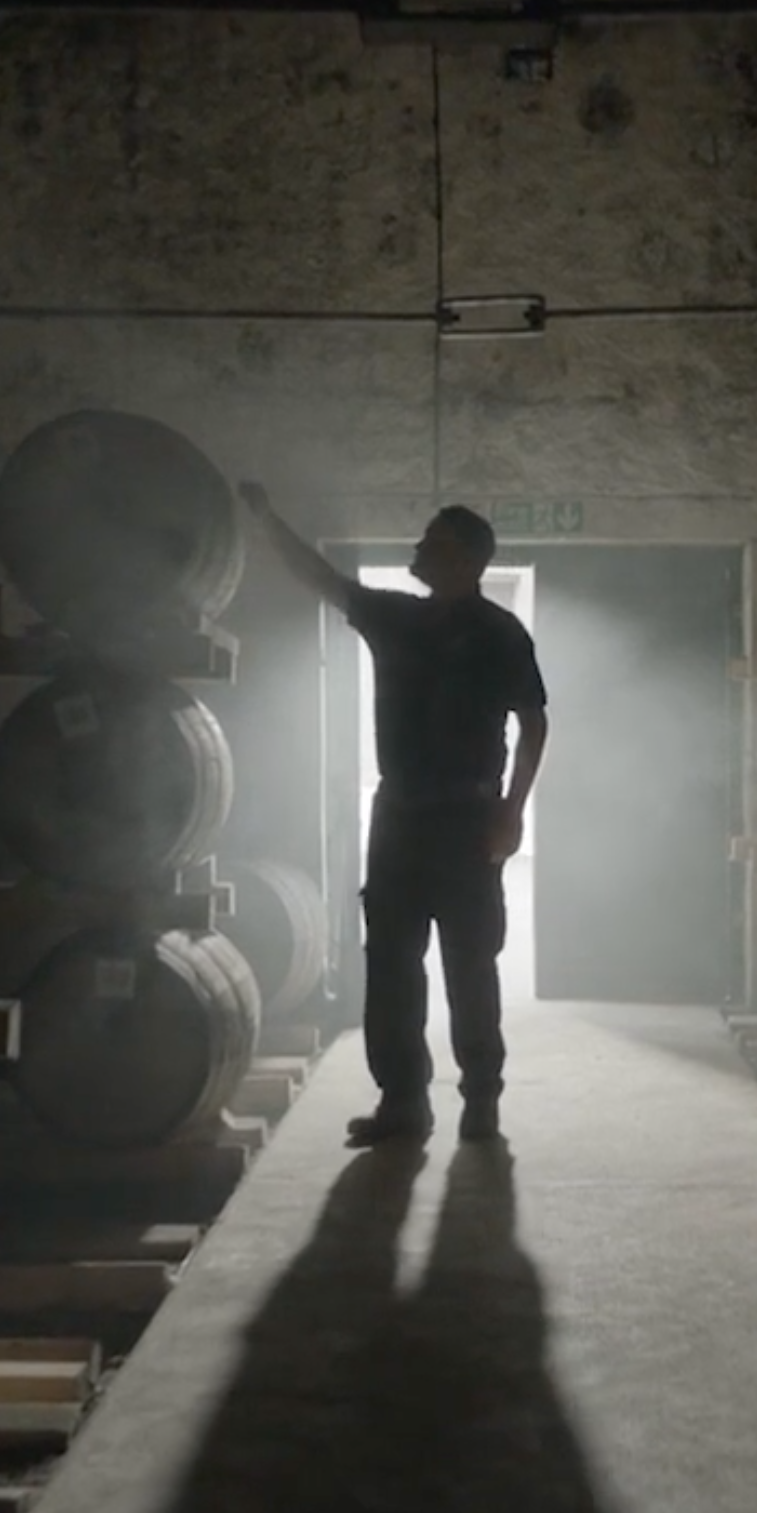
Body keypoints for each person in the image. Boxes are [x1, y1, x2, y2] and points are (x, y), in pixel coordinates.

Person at [239, 483, 548, 1147]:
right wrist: (267, 519)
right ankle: (404, 1103)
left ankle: (481, 1100)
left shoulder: (500, 634)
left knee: (471, 963)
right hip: (400, 817)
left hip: (469, 819)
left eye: (431, 542)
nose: (416, 548)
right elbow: (319, 576)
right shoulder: (396, 618)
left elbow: (534, 724)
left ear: (465, 559)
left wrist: (512, 813)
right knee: (392, 965)